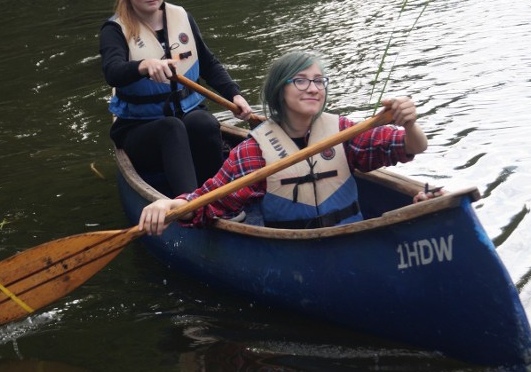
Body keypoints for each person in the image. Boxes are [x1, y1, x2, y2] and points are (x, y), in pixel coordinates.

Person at [139, 50, 441, 234]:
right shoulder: (255, 151)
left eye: (319, 81)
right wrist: (170, 204)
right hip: (298, 247)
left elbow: (412, 147)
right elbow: (209, 201)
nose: (313, 88)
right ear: (279, 91)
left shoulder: (344, 131)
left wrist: (410, 123)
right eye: (301, 80)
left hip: (350, 232)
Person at [100, 0, 252, 195]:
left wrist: (235, 95)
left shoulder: (181, 16)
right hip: (140, 130)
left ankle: (217, 196)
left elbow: (208, 63)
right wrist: (143, 65)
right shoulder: (115, 30)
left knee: (203, 122)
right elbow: (113, 72)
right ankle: (189, 204)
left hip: (188, 117)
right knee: (171, 127)